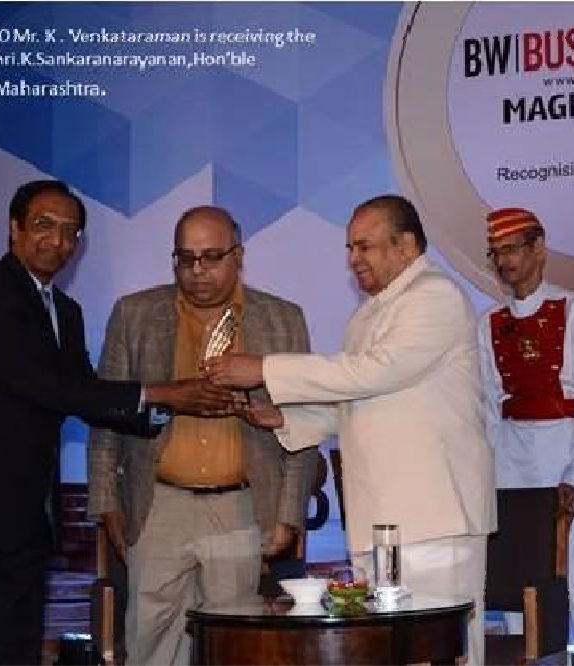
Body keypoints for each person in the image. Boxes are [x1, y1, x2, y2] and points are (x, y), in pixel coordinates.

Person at [0, 180, 240, 665]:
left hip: (22, 516)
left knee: (16, 649)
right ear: (14, 228)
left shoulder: (65, 311)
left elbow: (90, 397)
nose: (57, 241)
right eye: (44, 225)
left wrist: (179, 410)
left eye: (70, 232)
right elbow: (49, 387)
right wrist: (166, 391)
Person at [205, 194, 496, 665]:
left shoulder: (436, 296)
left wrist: (265, 368)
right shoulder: (367, 315)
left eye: (365, 246)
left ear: (406, 246)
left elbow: (375, 372)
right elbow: (359, 402)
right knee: (386, 654)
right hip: (378, 522)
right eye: (349, 248)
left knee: (441, 653)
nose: (353, 258)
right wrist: (286, 417)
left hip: (435, 519)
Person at [86, 205, 319, 665]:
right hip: (157, 503)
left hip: (242, 506)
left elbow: (303, 423)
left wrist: (289, 513)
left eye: (211, 257)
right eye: (185, 258)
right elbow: (106, 413)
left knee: (235, 645)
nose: (197, 271)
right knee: (152, 644)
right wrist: (107, 502)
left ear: (239, 256)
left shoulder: (282, 319)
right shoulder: (134, 314)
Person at [478, 207, 574, 665]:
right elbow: (487, 408)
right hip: (512, 469)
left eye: (512, 249)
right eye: (496, 253)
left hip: (572, 459)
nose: (504, 261)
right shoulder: (488, 322)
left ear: (539, 248)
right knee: (523, 590)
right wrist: (489, 479)